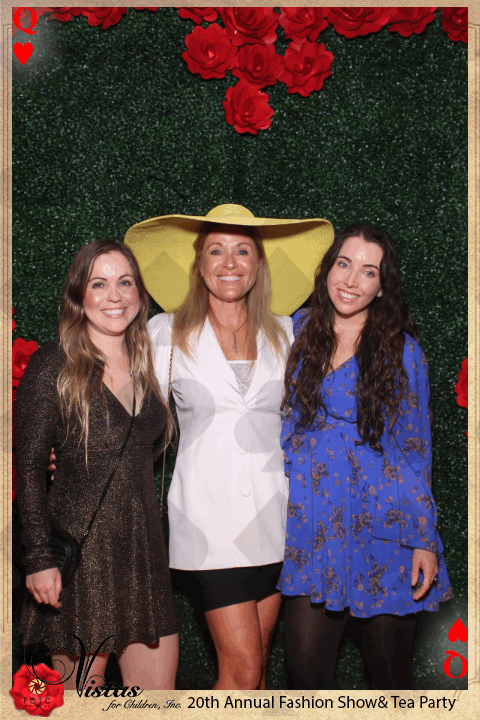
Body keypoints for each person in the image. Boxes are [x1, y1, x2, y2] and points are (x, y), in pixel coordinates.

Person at [124, 203, 334, 690]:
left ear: (259, 264)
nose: (229, 263)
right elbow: (125, 413)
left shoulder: (288, 331)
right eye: (216, 251)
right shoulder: (166, 333)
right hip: (208, 525)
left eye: (242, 251)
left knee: (254, 674)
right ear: (199, 265)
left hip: (278, 522)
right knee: (242, 673)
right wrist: (72, 451)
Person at [278, 223, 453, 690]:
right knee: (305, 678)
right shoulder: (296, 330)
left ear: (382, 286)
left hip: (385, 529)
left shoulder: (402, 351)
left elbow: (416, 449)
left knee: (389, 683)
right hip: (314, 527)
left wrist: (424, 540)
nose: (352, 280)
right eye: (344, 264)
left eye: (368, 271)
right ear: (327, 269)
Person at [14, 239, 179, 690]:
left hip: (144, 555)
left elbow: (139, 452)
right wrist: (39, 558)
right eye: (99, 284)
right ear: (78, 297)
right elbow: (29, 469)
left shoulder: (146, 365)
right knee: (81, 703)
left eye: (125, 282)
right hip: (84, 558)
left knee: (158, 705)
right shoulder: (54, 364)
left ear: (139, 293)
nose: (114, 296)